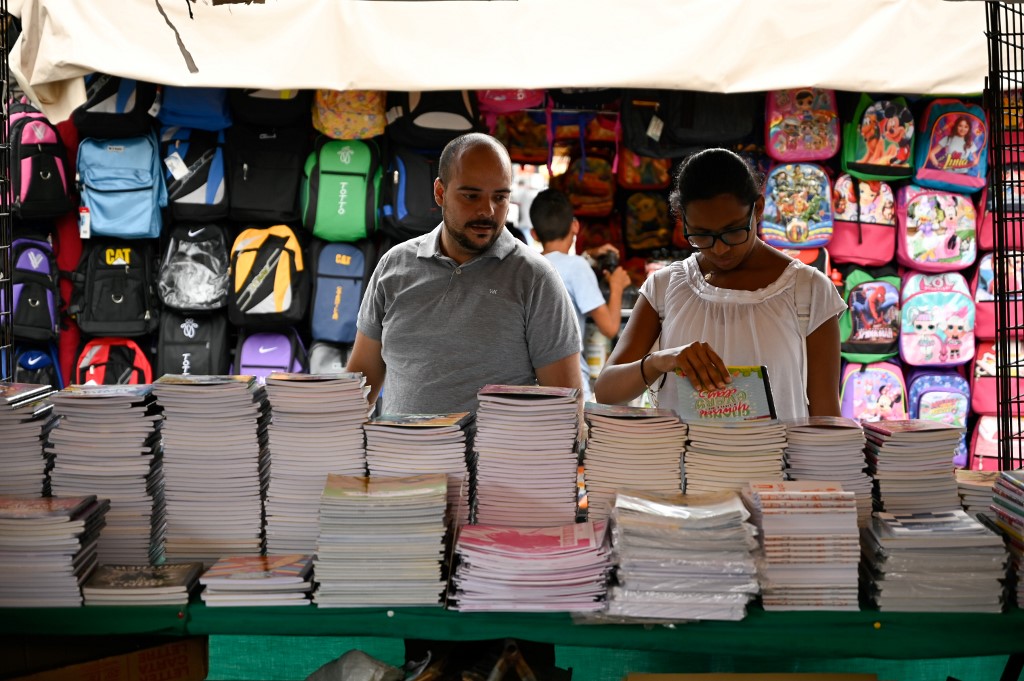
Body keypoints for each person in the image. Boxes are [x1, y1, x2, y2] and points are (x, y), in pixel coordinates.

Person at [594, 148, 846, 419]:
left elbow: (826, 416)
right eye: (702, 235)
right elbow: (607, 391)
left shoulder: (808, 290)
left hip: (776, 463)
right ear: (683, 221)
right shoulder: (664, 287)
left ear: (758, 209)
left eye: (733, 231)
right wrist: (660, 360)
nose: (720, 249)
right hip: (684, 463)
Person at [347, 132, 583, 414]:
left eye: (500, 197)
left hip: (498, 459)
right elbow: (361, 382)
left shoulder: (535, 278)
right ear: (440, 192)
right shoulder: (394, 266)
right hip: (400, 457)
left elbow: (566, 406)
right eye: (471, 196)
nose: (487, 210)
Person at [529, 188, 632, 401]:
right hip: (570, 383)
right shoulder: (577, 267)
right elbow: (610, 327)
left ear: (534, 234)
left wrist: (588, 256)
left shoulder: (528, 265)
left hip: (534, 384)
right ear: (575, 226)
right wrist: (617, 286)